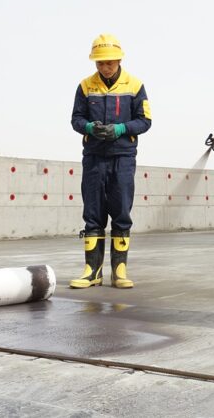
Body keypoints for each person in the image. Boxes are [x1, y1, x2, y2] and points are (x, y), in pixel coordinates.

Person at [69, 34, 152, 289]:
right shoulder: (85, 87)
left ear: (118, 60)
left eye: (109, 63)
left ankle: (119, 272)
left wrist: (121, 129)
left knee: (121, 212)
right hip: (94, 158)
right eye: (100, 63)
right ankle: (92, 271)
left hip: (123, 158)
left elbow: (145, 121)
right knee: (93, 214)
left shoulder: (135, 85)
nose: (105, 67)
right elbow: (76, 119)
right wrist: (90, 127)